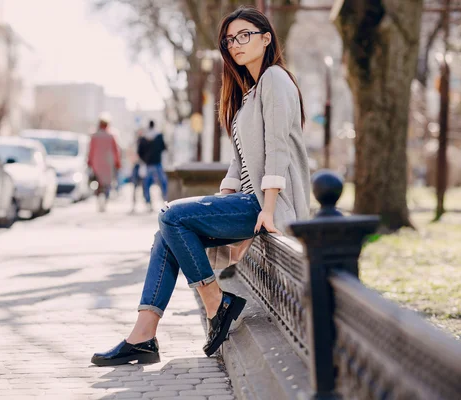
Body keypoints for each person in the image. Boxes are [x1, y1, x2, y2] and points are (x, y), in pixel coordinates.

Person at [91, 6, 310, 366]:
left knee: (172, 216)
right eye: (229, 39)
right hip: (247, 200)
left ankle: (215, 302)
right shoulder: (250, 93)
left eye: (244, 36)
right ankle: (144, 334)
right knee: (167, 229)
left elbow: (278, 150)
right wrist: (219, 201)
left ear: (266, 38)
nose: (235, 45)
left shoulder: (275, 79)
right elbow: (240, 162)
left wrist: (269, 208)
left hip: (269, 203)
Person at [87, 113, 121, 212]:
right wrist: (118, 162)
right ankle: (105, 202)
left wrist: (89, 161)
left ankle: (99, 201)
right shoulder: (111, 135)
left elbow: (91, 150)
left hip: (96, 162)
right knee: (107, 184)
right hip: (108, 163)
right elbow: (116, 150)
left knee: (99, 183)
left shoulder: (94, 135)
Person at [138, 120, 168, 212]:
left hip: (148, 164)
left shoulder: (143, 138)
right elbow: (164, 148)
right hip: (158, 163)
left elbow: (139, 152)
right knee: (163, 183)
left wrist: (145, 159)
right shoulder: (159, 136)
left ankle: (148, 202)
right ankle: (165, 200)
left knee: (146, 184)